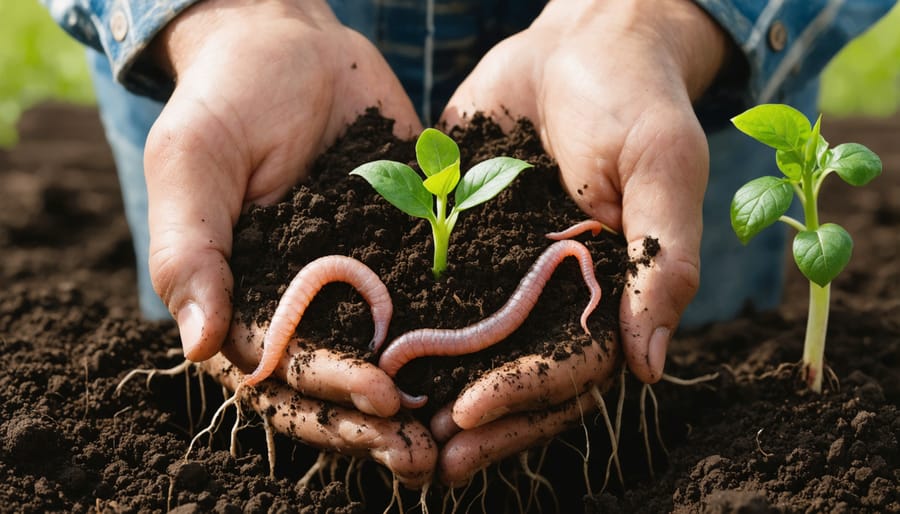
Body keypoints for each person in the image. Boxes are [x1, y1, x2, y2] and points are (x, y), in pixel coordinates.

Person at [44, 0, 895, 487]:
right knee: (248, 405)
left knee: (664, 404)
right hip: (219, 77)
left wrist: (652, 17)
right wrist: (221, 16)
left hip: (667, 75)